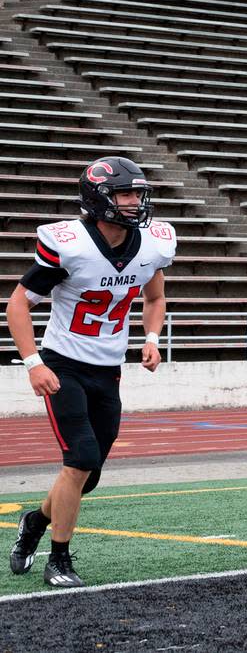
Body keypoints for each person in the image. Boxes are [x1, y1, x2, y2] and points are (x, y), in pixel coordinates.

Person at [7, 157, 176, 588]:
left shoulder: (152, 243)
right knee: (79, 459)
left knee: (90, 474)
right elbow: (18, 305)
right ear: (99, 199)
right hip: (63, 365)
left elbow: (154, 298)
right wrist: (33, 363)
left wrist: (152, 339)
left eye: (138, 193)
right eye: (125, 194)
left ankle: (34, 521)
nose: (135, 202)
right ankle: (58, 560)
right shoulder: (71, 244)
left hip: (108, 368)